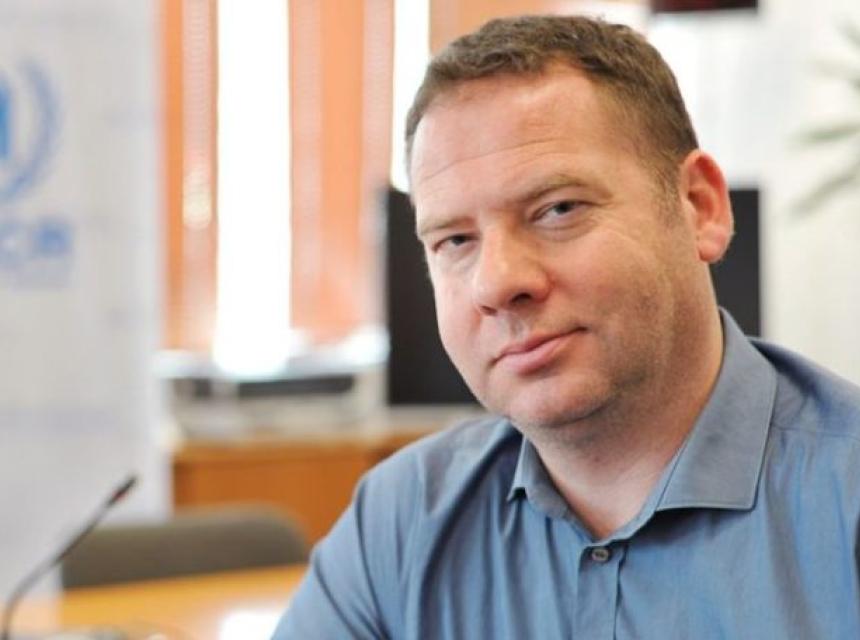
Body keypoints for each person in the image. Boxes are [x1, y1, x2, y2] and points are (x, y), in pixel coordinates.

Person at [273, 15, 860, 639]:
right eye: (455, 241)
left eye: (557, 209)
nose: (496, 283)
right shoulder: (401, 522)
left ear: (699, 208)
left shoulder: (845, 503)